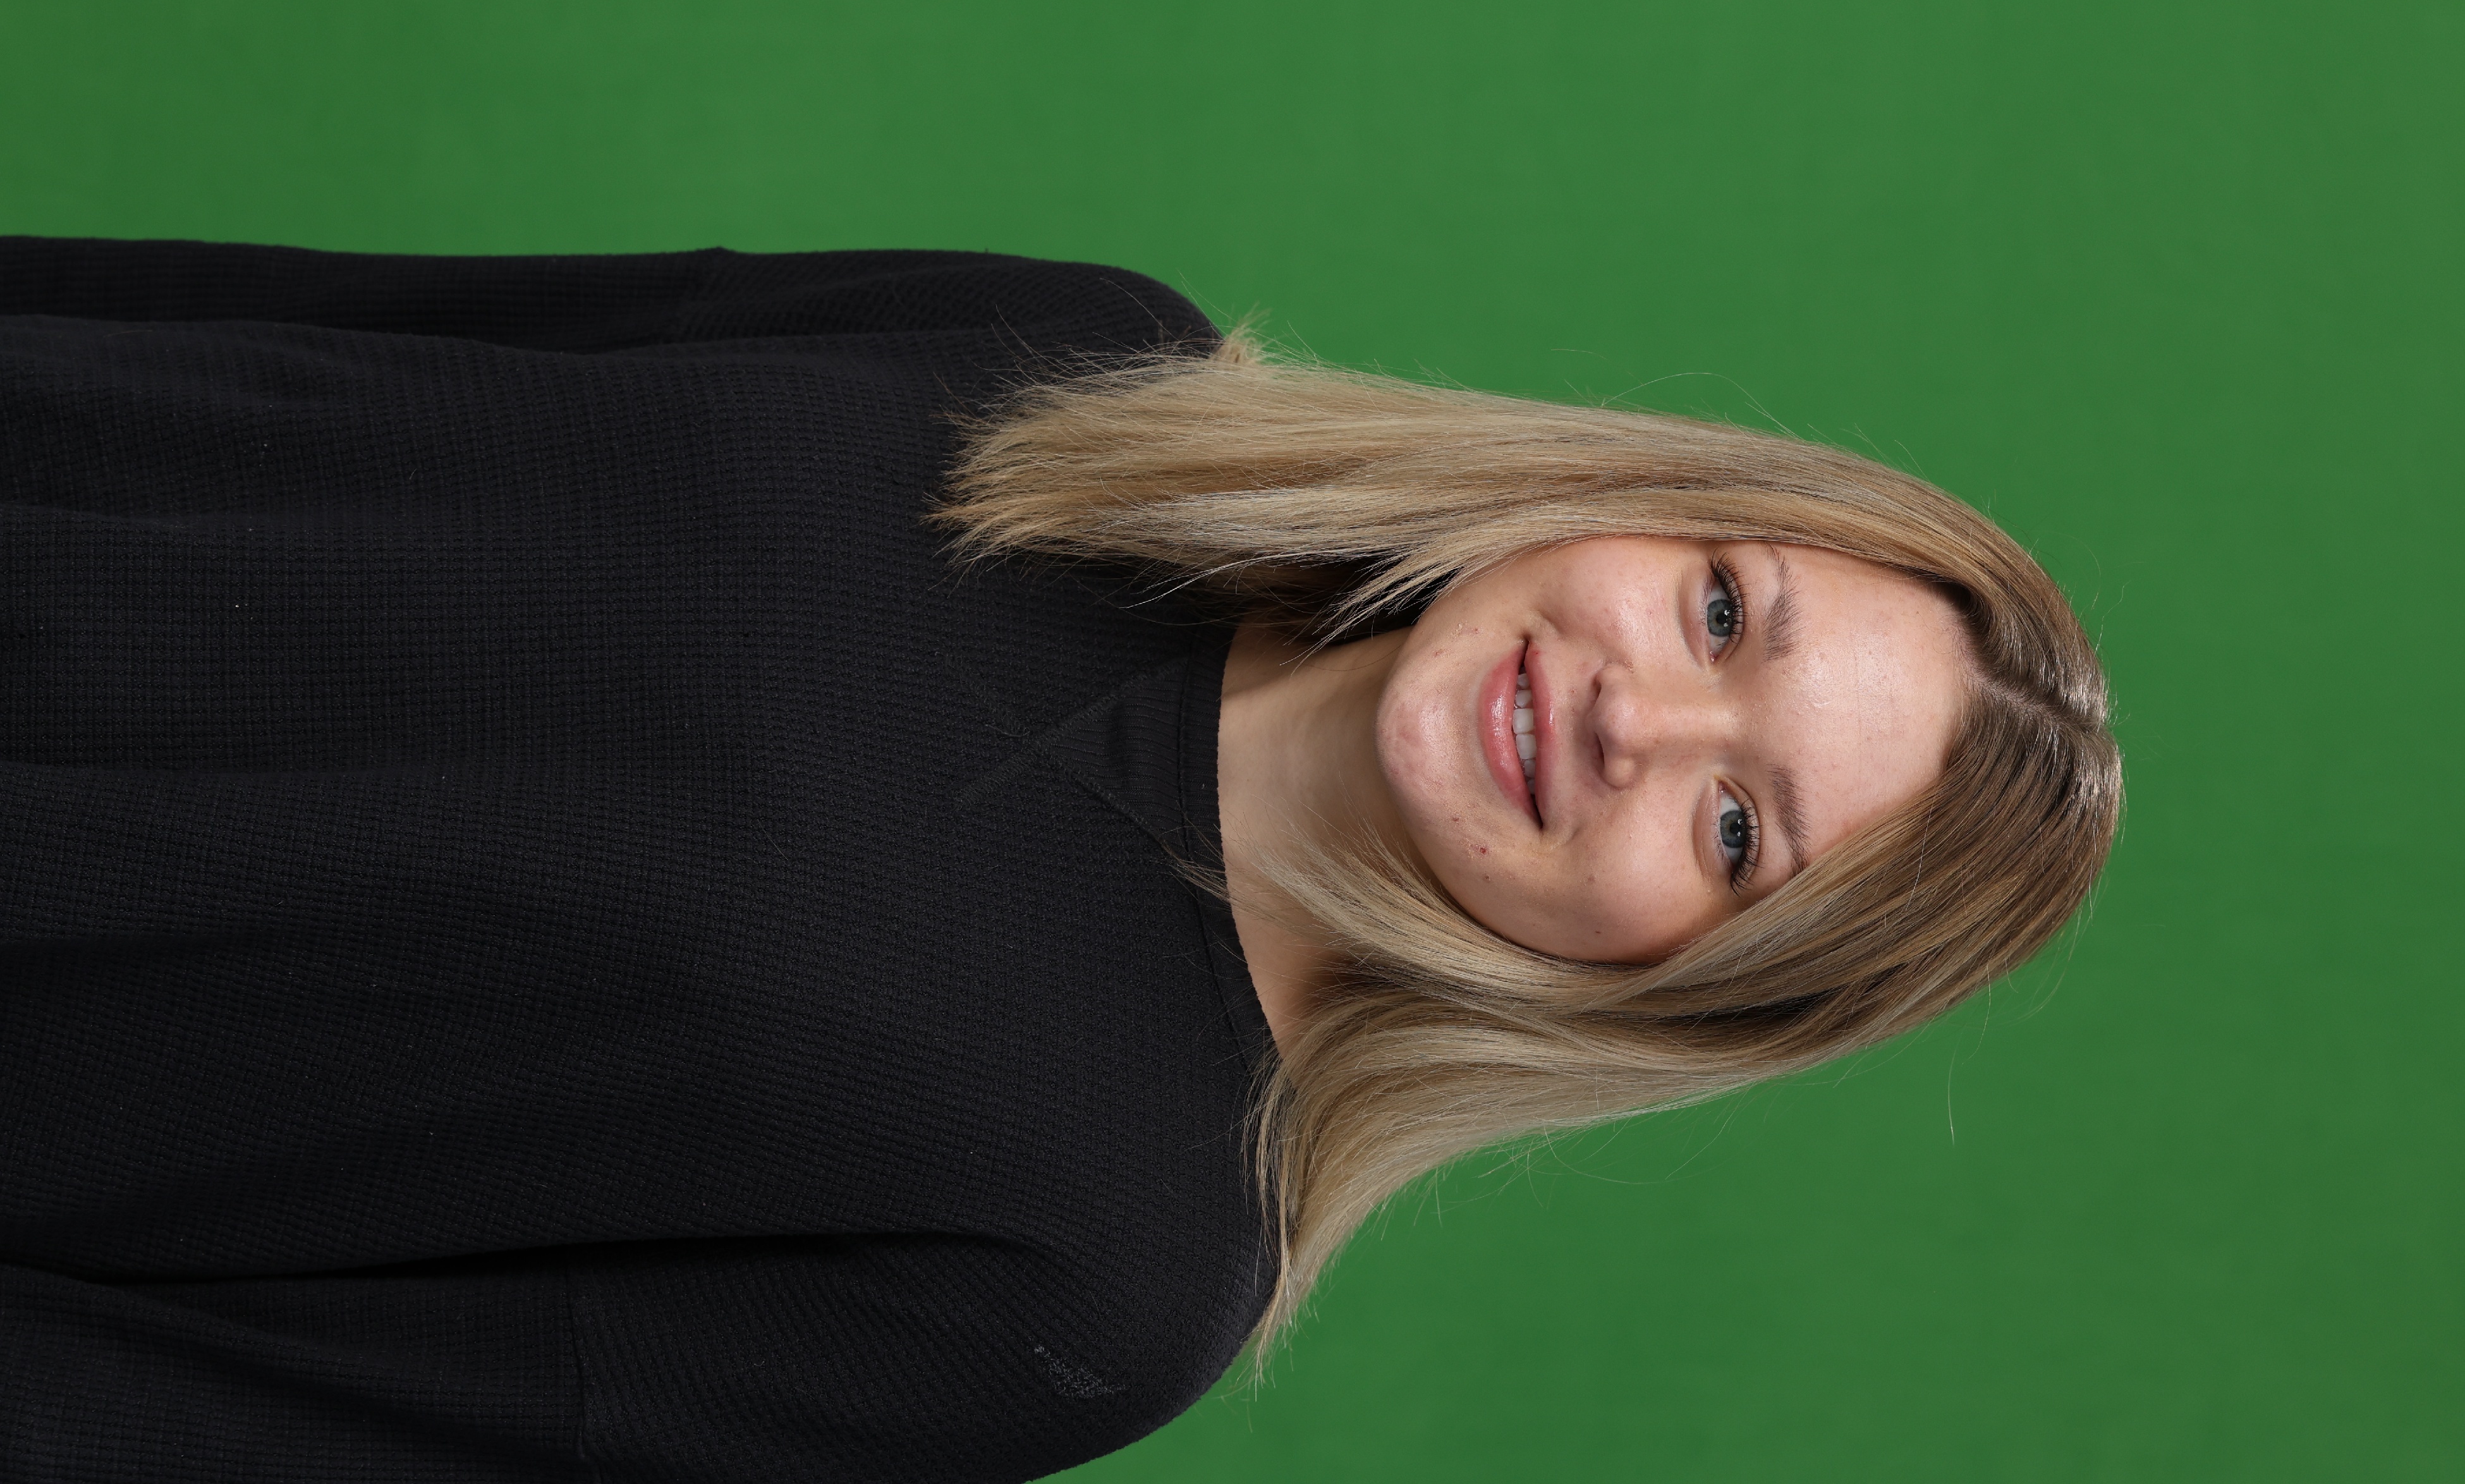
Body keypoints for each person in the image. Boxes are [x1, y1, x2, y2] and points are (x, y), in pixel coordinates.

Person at [0, 238, 2118, 1482]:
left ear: (1687, 988)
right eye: (1723, 611)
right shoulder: (1088, 373)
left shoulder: (1101, 1279)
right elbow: (324, 327)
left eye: (1734, 831)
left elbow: (250, 1425)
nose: (1632, 718)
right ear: (1654, 501)